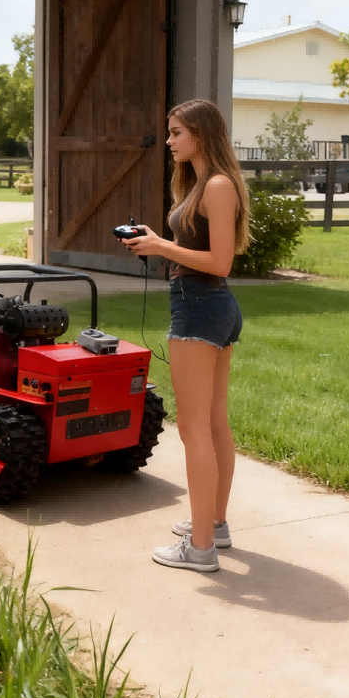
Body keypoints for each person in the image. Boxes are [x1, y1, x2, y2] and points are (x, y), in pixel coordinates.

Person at [119, 99, 250, 573]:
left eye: (177, 132)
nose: (169, 140)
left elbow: (220, 262)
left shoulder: (217, 185)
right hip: (210, 307)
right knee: (213, 425)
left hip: (200, 308)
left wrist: (159, 246)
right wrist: (159, 241)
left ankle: (200, 549)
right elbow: (198, 249)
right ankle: (213, 525)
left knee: (196, 431)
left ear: (201, 133)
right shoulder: (205, 184)